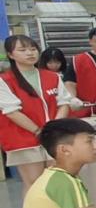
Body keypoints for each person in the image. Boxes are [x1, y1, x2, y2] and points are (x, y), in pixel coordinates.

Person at [0, 35, 73, 193]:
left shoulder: (52, 77)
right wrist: (38, 131)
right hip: (23, 139)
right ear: (11, 55)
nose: (29, 53)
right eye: (22, 50)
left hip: (52, 137)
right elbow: (11, 112)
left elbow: (63, 103)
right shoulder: (4, 80)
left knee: (56, 180)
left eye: (33, 49)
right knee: (34, 183)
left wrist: (52, 128)